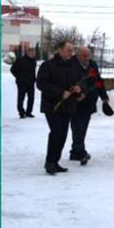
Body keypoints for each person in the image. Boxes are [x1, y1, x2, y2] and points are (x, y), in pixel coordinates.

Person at [35, 41, 83, 175]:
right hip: (52, 106)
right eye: (68, 50)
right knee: (56, 132)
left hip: (68, 106)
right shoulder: (48, 65)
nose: (71, 53)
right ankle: (49, 162)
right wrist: (60, 92)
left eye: (72, 50)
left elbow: (79, 81)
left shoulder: (73, 66)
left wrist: (79, 89)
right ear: (60, 50)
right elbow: (41, 84)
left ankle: (55, 162)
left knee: (63, 135)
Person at [70, 46, 110, 165]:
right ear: (77, 55)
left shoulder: (92, 64)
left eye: (88, 55)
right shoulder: (71, 64)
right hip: (76, 102)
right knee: (78, 128)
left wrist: (104, 96)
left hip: (89, 101)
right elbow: (68, 82)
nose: (87, 58)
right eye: (84, 55)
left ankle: (75, 151)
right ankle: (81, 152)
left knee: (83, 128)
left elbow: (97, 81)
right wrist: (78, 95)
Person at [10, 47, 38, 118]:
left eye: (34, 53)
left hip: (31, 83)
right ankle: (21, 112)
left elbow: (33, 72)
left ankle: (29, 112)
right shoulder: (20, 60)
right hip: (21, 83)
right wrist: (19, 77)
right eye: (33, 53)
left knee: (31, 98)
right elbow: (12, 70)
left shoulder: (34, 61)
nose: (34, 54)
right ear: (28, 53)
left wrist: (34, 79)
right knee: (21, 98)